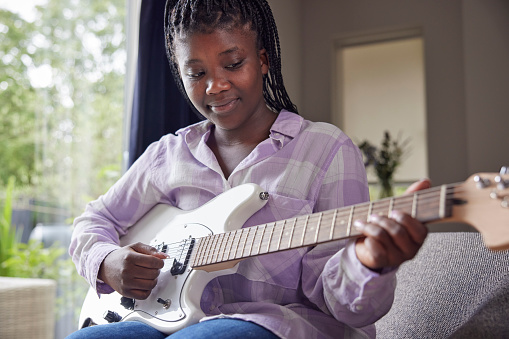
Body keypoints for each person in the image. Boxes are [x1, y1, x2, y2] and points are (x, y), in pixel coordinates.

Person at [67, 0, 430, 338]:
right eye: (196, 73)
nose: (216, 86)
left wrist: (369, 262)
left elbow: (345, 307)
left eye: (233, 64)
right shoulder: (167, 155)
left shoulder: (327, 149)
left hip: (276, 324)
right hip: (159, 321)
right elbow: (93, 220)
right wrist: (107, 261)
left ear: (263, 59)